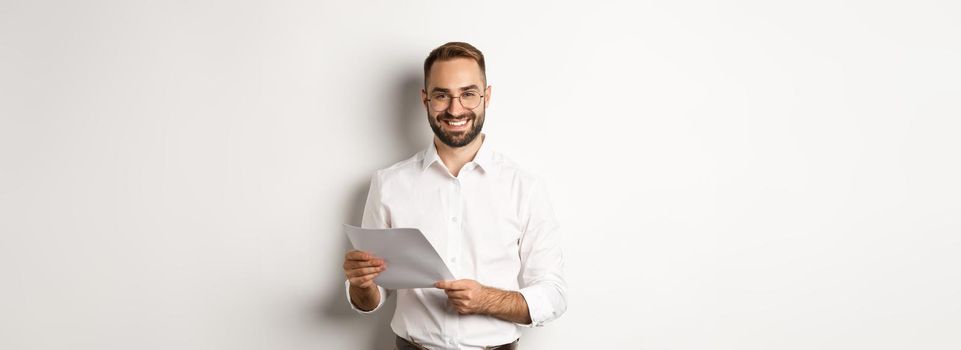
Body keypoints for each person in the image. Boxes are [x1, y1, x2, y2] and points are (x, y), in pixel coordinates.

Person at [342, 41, 567, 350]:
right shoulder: (388, 184)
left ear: (486, 97)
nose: (455, 108)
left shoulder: (524, 188)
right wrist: (361, 285)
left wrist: (487, 299)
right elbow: (373, 297)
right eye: (441, 95)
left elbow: (554, 295)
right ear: (425, 99)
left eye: (468, 94)